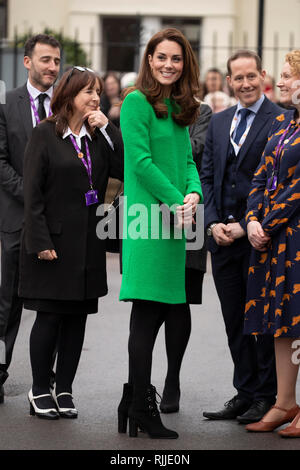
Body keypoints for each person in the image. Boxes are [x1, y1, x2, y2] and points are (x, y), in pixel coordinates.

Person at [18, 67, 123, 419]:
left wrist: (108, 128)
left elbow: (121, 172)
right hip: (54, 244)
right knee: (49, 318)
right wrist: (40, 239)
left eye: (97, 92)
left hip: (87, 245)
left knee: (77, 320)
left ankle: (64, 388)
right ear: (68, 95)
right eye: (87, 92)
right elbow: (32, 194)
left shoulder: (97, 137)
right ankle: (38, 389)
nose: (95, 98)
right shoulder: (45, 134)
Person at [117, 28, 202, 439]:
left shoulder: (179, 105)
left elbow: (187, 160)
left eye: (177, 59)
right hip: (147, 224)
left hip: (175, 223)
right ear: (149, 59)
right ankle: (139, 407)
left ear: (184, 64)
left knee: (164, 311)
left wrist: (193, 194)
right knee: (147, 315)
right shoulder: (136, 102)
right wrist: (177, 201)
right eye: (162, 57)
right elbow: (140, 163)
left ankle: (132, 401)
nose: (169, 65)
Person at [200, 49, 283, 424]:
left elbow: (282, 185)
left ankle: (268, 395)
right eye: (239, 78)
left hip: (261, 238)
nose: (246, 83)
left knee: (262, 323)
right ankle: (245, 391)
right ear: (229, 81)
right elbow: (207, 176)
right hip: (222, 240)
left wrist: (251, 223)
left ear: (262, 76)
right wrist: (213, 223)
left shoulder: (281, 120)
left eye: (252, 76)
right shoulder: (218, 123)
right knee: (234, 319)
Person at [0, 34, 61, 404]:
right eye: (45, 60)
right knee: (7, 304)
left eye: (56, 61)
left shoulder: (67, 106)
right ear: (27, 62)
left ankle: (46, 378)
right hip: (17, 220)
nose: (52, 67)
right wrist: (32, 195)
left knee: (52, 303)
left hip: (57, 225)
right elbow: (1, 161)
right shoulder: (7, 104)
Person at [244, 50, 300, 437]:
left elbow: (298, 189)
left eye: (286, 76)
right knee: (281, 323)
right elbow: (260, 176)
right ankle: (284, 403)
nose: (278, 82)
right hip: (275, 241)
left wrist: (266, 222)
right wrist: (250, 221)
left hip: (293, 237)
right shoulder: (284, 126)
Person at [159, 102, 212, 414]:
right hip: (151, 213)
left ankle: (172, 380)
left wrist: (159, 141)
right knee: (147, 305)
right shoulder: (143, 107)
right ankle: (138, 385)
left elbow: (195, 148)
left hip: (192, 212)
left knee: (181, 301)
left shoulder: (200, 112)